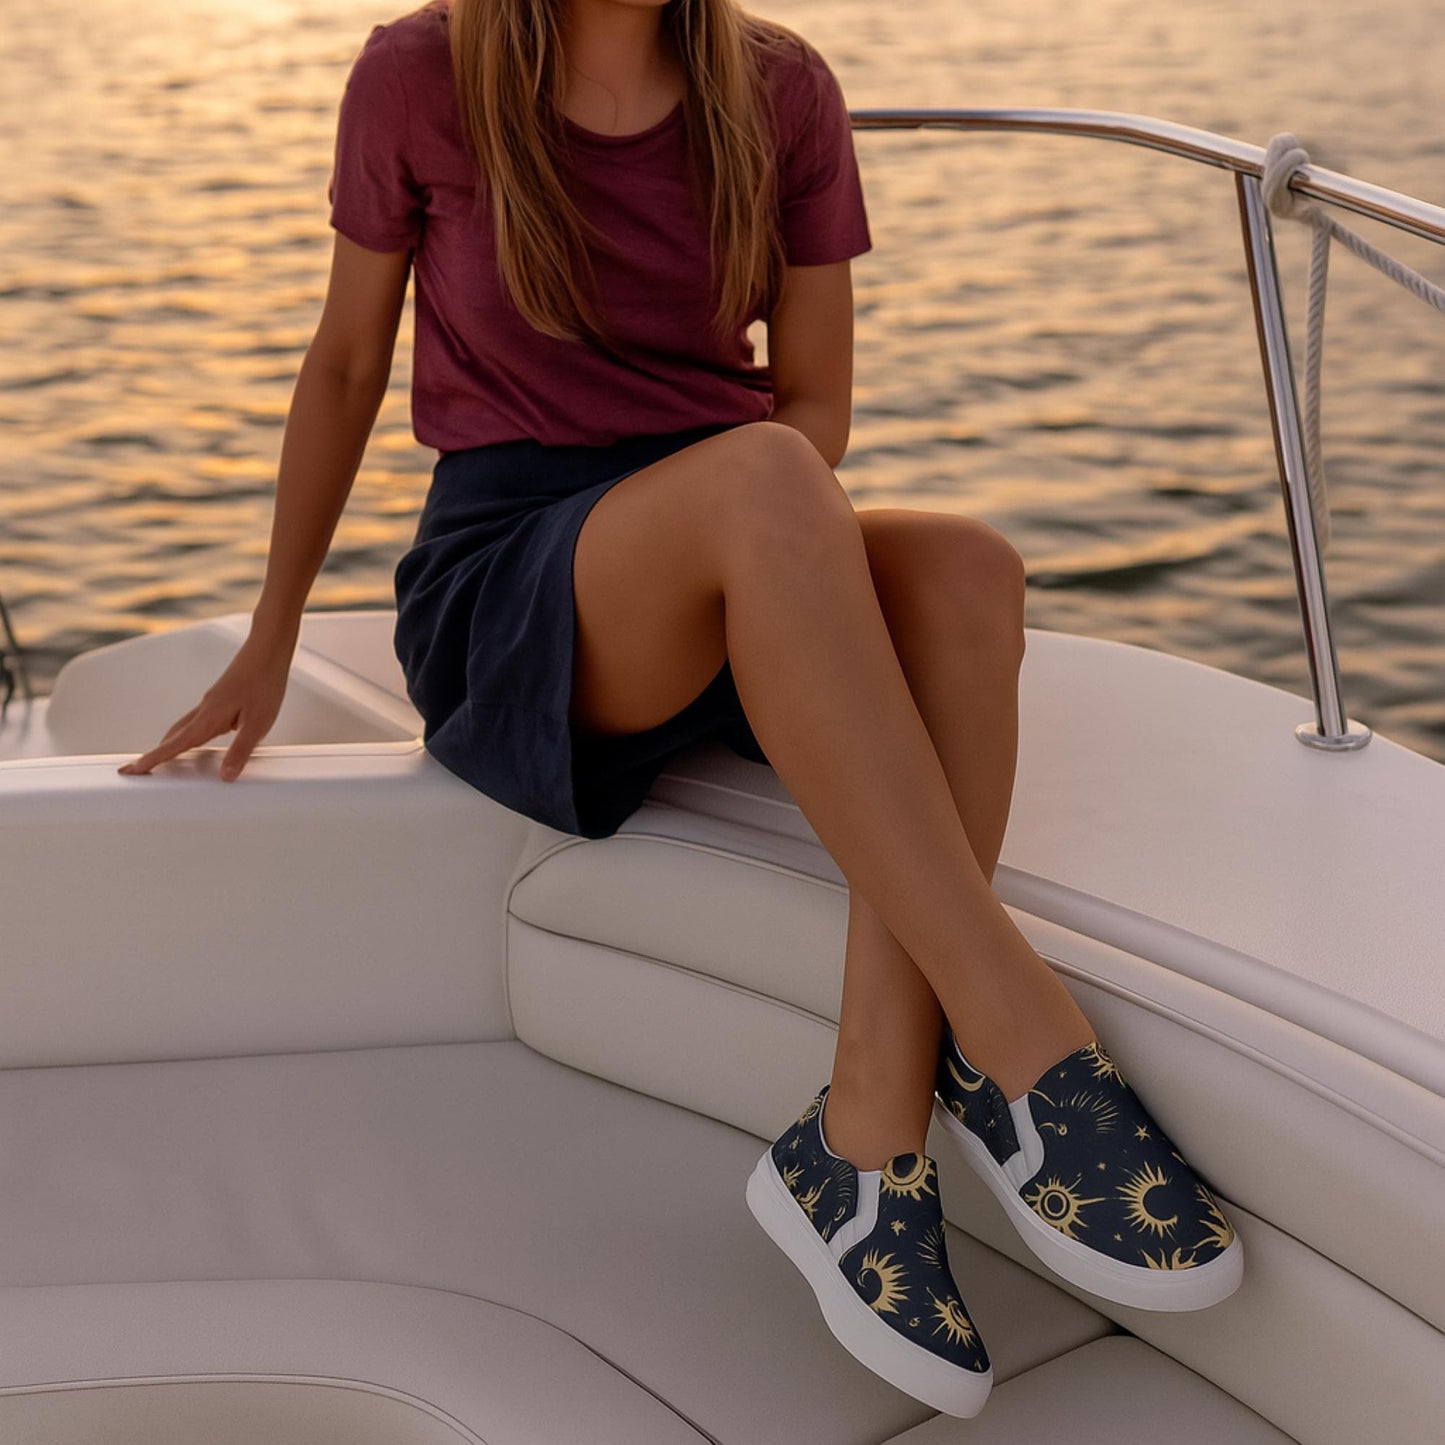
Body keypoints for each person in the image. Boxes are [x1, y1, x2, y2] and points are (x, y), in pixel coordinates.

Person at [117, 0, 1242, 1417]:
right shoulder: (420, 72)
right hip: (517, 590)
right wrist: (272, 631)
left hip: (741, 549)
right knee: (769, 477)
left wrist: (761, 539)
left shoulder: (779, 90)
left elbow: (815, 402)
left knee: (964, 570)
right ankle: (1025, 1035)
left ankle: (866, 1127)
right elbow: (347, 358)